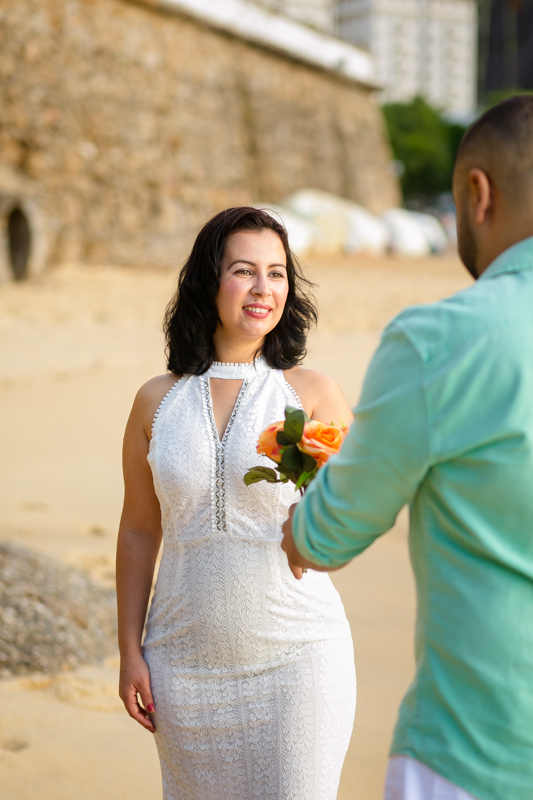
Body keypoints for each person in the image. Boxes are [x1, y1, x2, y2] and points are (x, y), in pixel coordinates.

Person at [281, 95, 533, 800]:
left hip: (478, 752)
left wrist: (301, 517)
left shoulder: (442, 340)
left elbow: (328, 535)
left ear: (478, 195)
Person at [116, 207, 356, 799]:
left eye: (277, 274)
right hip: (182, 664)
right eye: (244, 271)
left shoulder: (312, 394)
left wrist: (318, 529)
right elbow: (139, 531)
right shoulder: (155, 401)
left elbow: (351, 519)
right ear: (209, 280)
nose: (262, 289)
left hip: (300, 657)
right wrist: (129, 651)